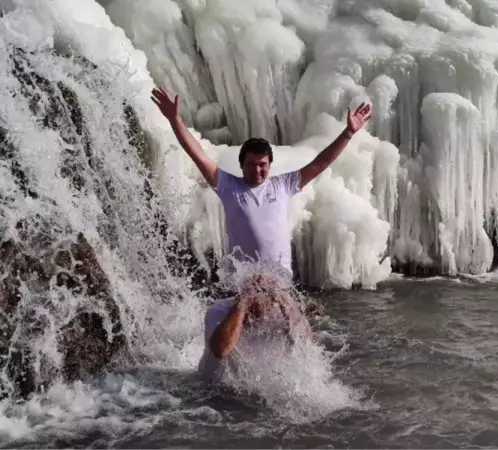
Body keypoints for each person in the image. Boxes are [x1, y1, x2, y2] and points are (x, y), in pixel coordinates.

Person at [151, 87, 372, 277]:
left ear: (269, 165)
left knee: (297, 326)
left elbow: (320, 163)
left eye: (262, 164)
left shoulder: (283, 185)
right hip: (244, 283)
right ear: (241, 165)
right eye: (251, 164)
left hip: (280, 281)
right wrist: (175, 119)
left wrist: (348, 133)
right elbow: (197, 154)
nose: (257, 169)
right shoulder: (229, 186)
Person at [197, 274, 312, 381]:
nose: (260, 297)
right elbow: (221, 350)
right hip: (212, 391)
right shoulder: (219, 310)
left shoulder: (282, 312)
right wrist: (244, 302)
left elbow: (305, 346)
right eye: (256, 290)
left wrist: (287, 305)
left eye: (265, 291)